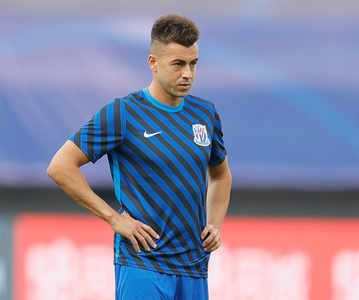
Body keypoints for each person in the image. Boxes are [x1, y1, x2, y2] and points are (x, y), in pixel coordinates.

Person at [47, 14, 232, 300]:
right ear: (153, 63)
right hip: (142, 265)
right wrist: (113, 218)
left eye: (193, 64)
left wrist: (215, 224)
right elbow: (60, 166)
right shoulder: (124, 114)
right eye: (178, 64)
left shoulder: (205, 114)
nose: (188, 74)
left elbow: (220, 175)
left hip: (194, 267)